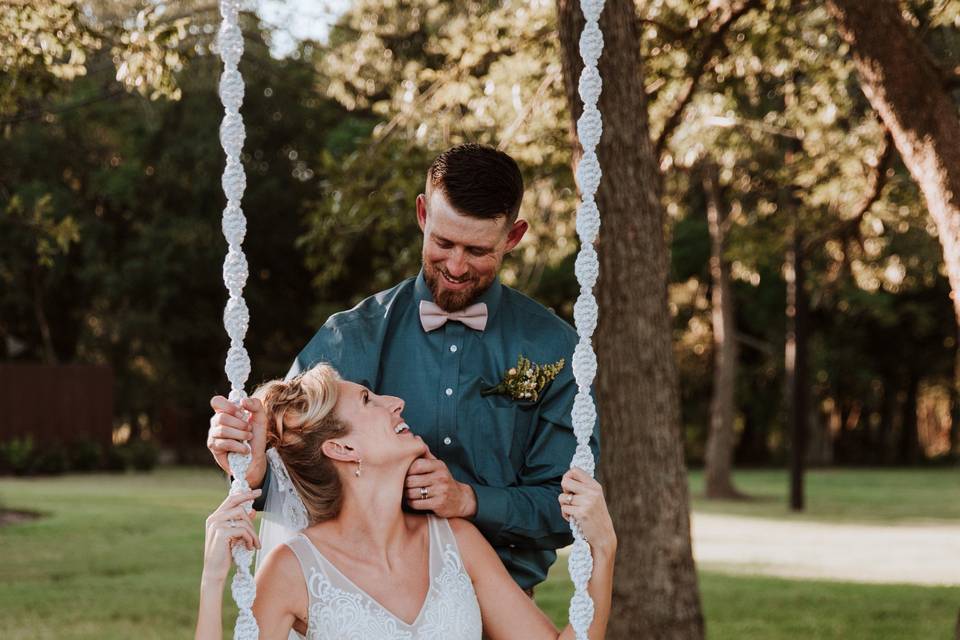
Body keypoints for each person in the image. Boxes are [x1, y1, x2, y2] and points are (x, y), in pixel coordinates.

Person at [208, 143, 600, 592]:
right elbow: (291, 458)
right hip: (368, 607)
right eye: (443, 242)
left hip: (502, 608)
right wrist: (251, 466)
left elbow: (568, 505)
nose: (455, 266)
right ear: (422, 215)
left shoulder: (553, 347)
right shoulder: (349, 338)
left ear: (513, 237)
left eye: (476, 250)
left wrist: (468, 499)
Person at [196, 365, 616, 639]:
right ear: (342, 449)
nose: (395, 403)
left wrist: (603, 549)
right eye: (367, 400)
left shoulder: (457, 541)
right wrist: (213, 580)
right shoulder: (293, 569)